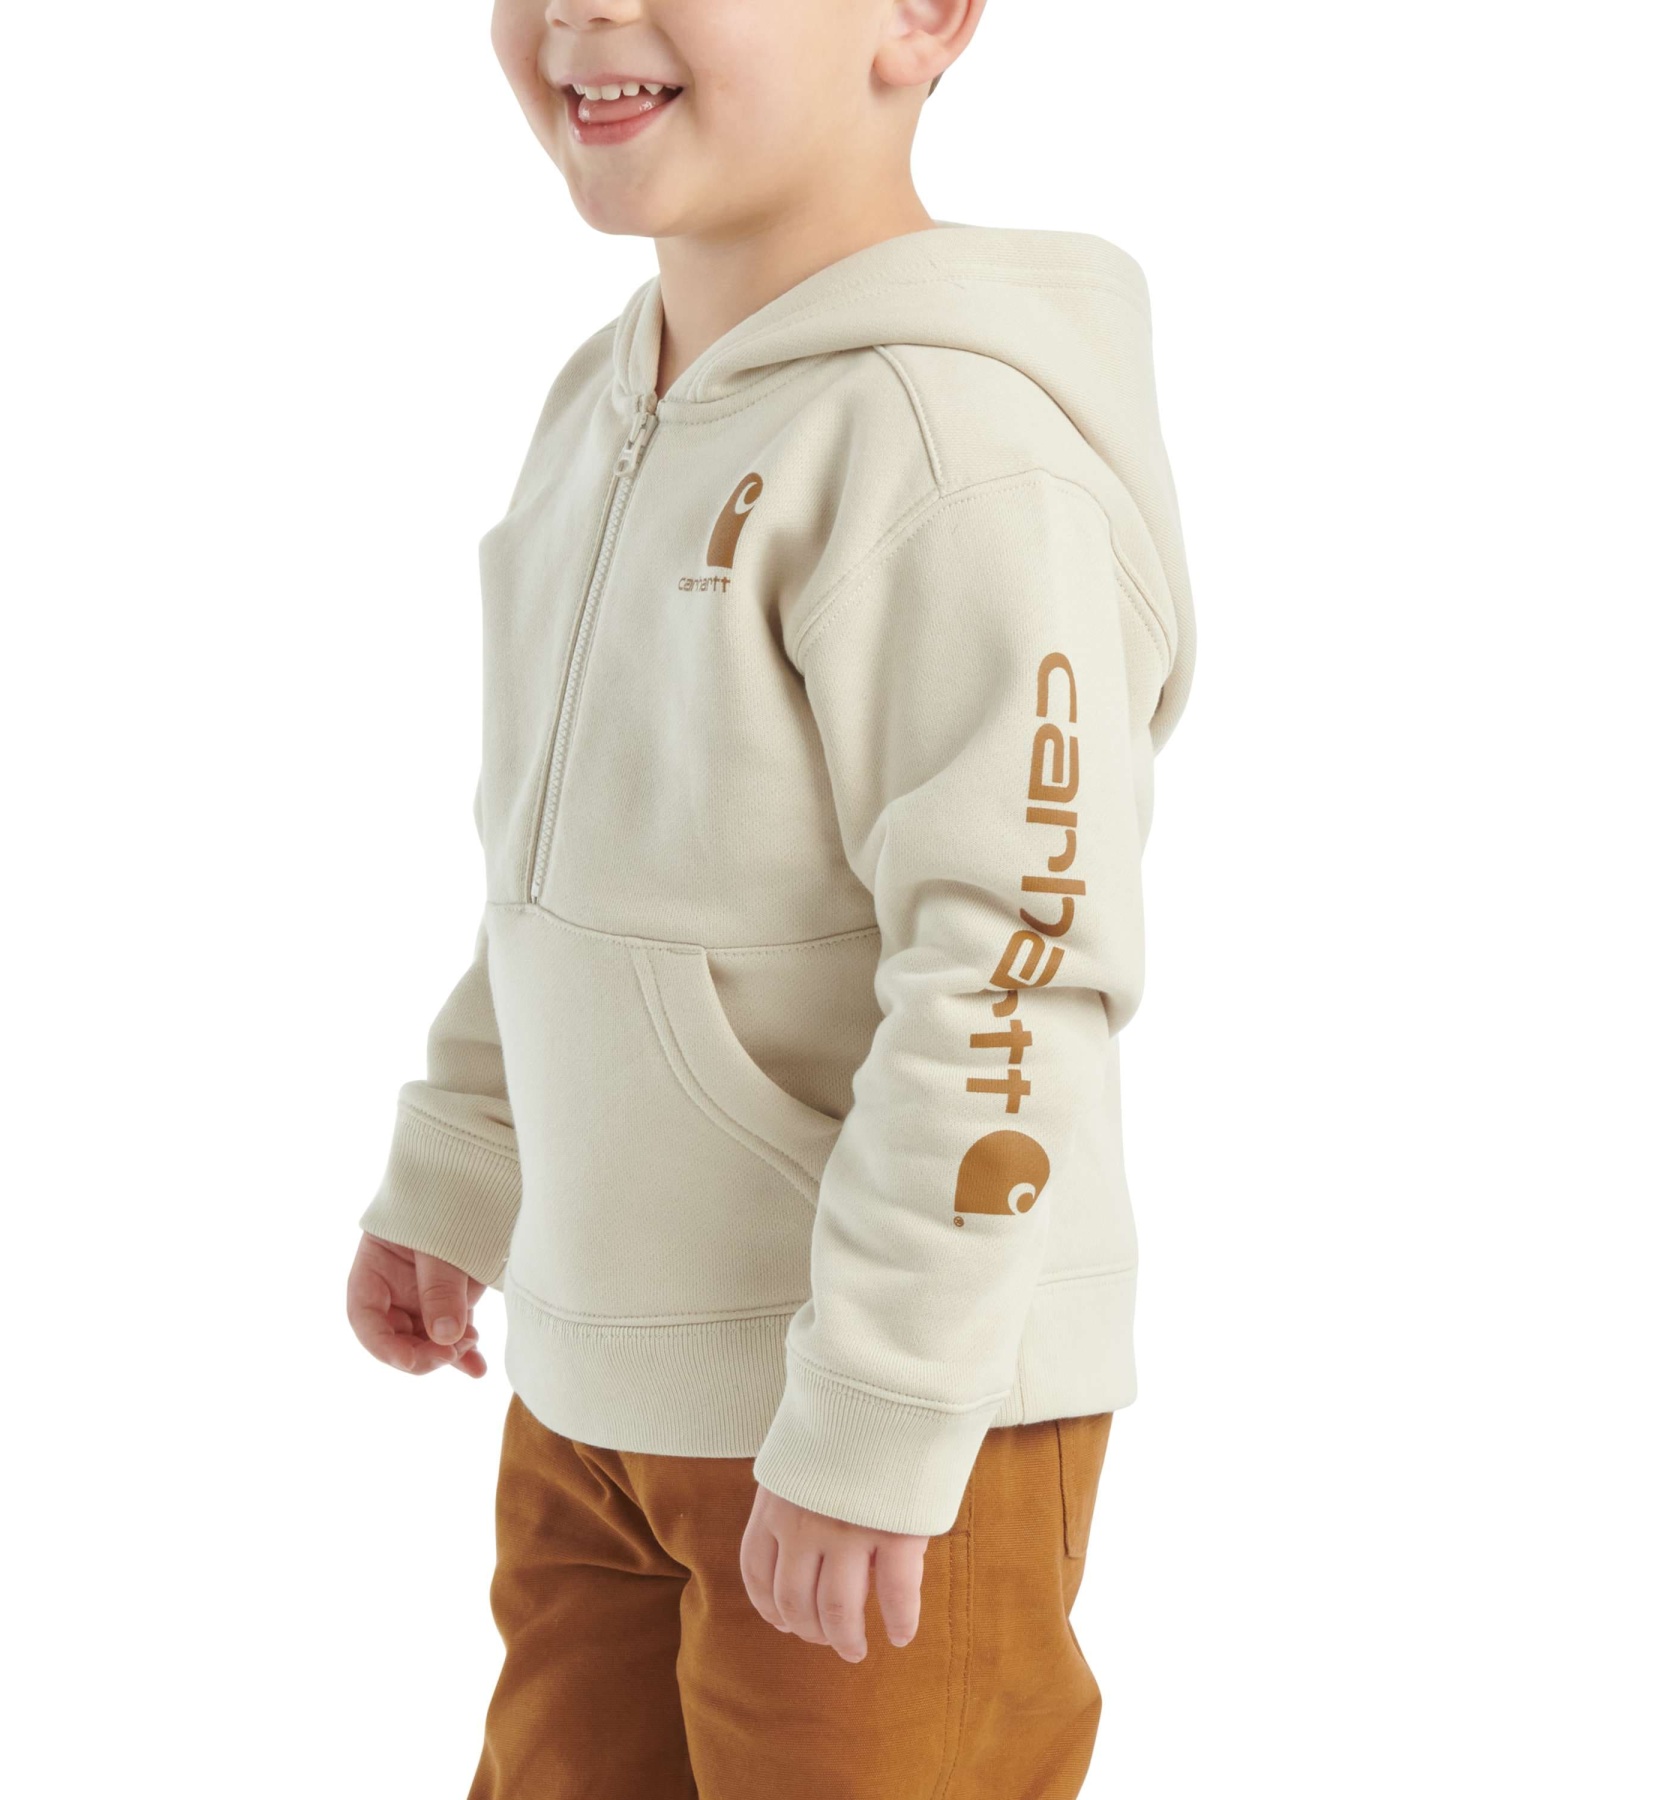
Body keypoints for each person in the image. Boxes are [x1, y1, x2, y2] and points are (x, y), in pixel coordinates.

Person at [344, 1, 1195, 1792]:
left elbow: (1010, 966)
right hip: (603, 1378)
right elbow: (562, 857)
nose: (585, 12)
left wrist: (884, 1407)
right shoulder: (612, 402)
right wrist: (467, 1160)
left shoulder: (955, 449)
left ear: (922, 18)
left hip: (894, 1422)